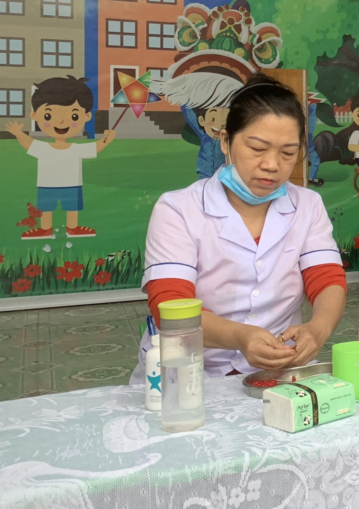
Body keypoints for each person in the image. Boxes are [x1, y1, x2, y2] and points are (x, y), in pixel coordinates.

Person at [130, 76, 347, 383]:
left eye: (288, 153)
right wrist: (241, 337)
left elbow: (326, 279)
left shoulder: (307, 205)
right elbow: (171, 307)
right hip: (189, 372)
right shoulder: (178, 209)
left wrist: (318, 328)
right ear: (225, 141)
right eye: (257, 148)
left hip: (278, 367)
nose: (272, 165)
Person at [7, 75, 114, 239]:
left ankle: (72, 228)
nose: (62, 122)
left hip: (72, 185)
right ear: (34, 115)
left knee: (72, 207)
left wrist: (106, 139)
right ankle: (45, 229)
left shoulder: (76, 149)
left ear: (86, 116)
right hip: (46, 185)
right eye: (48, 116)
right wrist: (18, 133)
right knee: (46, 208)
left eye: (74, 116)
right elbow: (28, 143)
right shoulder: (43, 148)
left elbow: (95, 148)